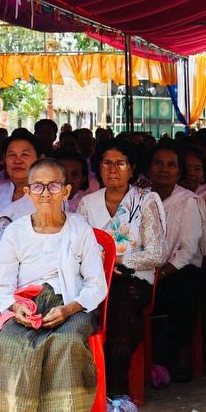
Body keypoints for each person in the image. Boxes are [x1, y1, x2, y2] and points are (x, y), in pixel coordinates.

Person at [0, 158, 110, 412]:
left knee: (67, 341)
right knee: (12, 344)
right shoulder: (14, 233)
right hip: (27, 306)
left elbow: (96, 285)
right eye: (38, 187)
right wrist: (16, 307)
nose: (46, 193)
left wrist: (70, 308)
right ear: (28, 192)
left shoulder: (80, 229)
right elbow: (3, 286)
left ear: (66, 191)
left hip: (72, 303)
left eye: (54, 186)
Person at [77, 140, 167, 395]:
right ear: (98, 167)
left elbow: (157, 254)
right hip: (95, 279)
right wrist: (100, 268)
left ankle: (113, 390)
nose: (113, 169)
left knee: (119, 310)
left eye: (120, 163)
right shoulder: (87, 203)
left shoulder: (145, 200)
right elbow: (78, 251)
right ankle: (84, 387)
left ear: (132, 168)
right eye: (107, 163)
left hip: (133, 280)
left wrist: (117, 261)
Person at [146, 142, 206, 382]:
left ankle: (181, 353)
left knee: (186, 282)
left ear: (178, 171)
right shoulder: (140, 197)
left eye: (171, 165)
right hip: (146, 267)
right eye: (158, 163)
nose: (164, 169)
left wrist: (161, 273)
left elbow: (188, 250)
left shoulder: (188, 201)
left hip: (176, 269)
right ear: (149, 168)